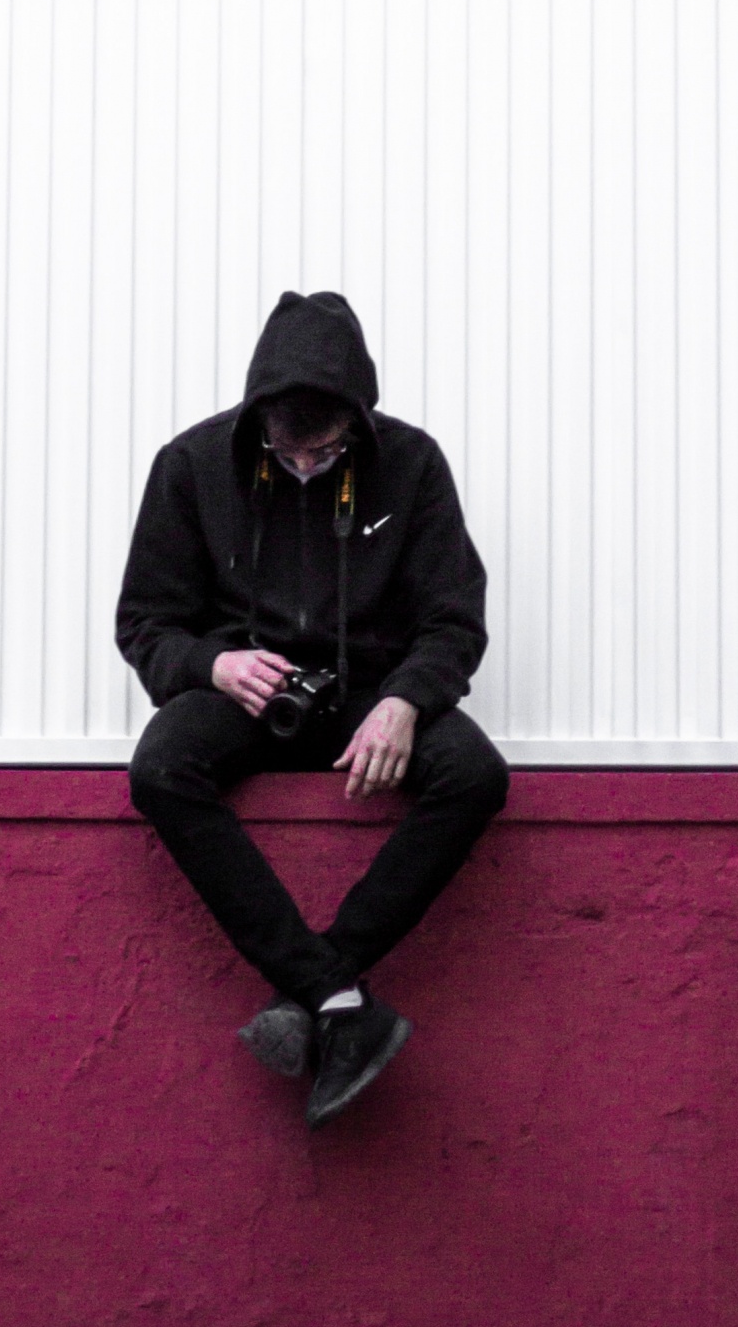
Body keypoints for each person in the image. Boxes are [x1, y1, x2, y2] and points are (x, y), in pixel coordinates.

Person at [117, 288, 508, 1131]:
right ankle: (336, 993)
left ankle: (322, 989)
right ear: (259, 421)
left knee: (474, 774)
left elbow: (453, 618)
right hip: (245, 691)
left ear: (357, 425)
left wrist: (406, 699)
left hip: (369, 689)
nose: (304, 466)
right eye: (288, 451)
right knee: (160, 768)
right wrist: (211, 664)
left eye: (325, 451)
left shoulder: (412, 464)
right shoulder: (191, 465)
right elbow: (144, 624)